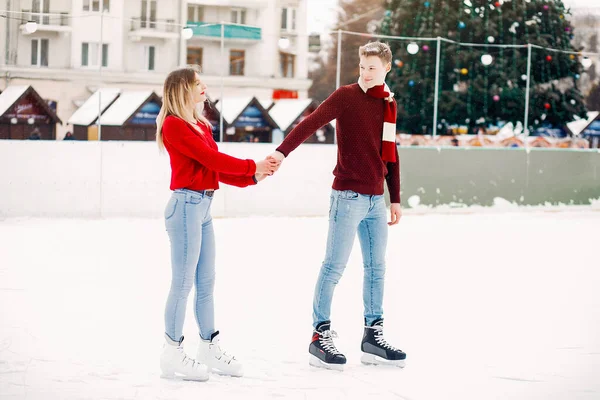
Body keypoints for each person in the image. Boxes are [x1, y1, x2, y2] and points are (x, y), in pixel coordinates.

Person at [267, 41, 406, 370]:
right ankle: (320, 336)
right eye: (362, 67)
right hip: (347, 196)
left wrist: (395, 196)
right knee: (333, 268)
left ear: (387, 68)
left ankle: (373, 336)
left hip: (375, 200)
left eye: (372, 68)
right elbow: (310, 122)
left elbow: (390, 152)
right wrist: (281, 153)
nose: (366, 73)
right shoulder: (346, 96)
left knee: (377, 270)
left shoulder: (388, 102)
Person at [156, 65, 278, 381]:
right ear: (183, 89)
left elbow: (215, 171)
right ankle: (171, 352)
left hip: (203, 208)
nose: (204, 87)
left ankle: (208, 347)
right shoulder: (174, 126)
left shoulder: (200, 126)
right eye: (198, 83)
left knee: (206, 283)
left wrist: (252, 176)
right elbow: (212, 161)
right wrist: (254, 164)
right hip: (184, 208)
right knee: (182, 284)